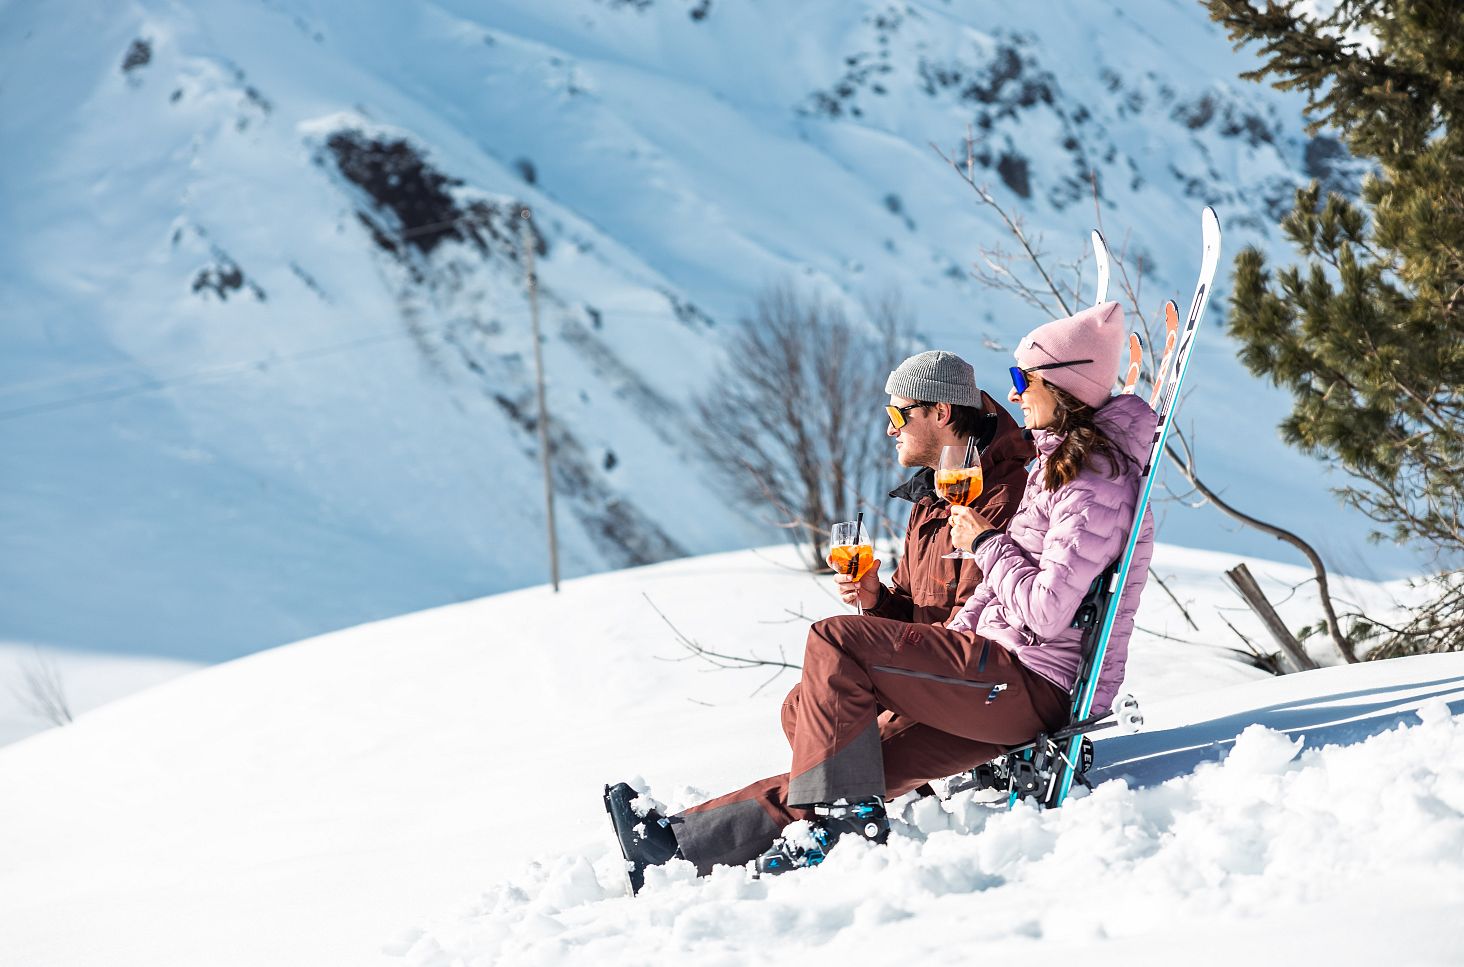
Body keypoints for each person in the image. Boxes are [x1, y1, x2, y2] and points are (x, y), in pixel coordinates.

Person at [606, 302, 1156, 892]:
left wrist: (986, 545)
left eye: (1025, 380)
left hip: (1026, 680)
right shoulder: (1058, 472)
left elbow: (1046, 610)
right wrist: (899, 615)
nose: (1015, 396)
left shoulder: (1088, 478)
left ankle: (844, 827)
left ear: (1063, 383)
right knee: (849, 762)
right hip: (998, 672)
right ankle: (683, 849)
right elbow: (988, 603)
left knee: (832, 642)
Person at [836, 350, 1033, 625]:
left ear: (941, 412)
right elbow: (912, 615)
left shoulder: (1001, 499)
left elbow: (970, 629)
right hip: (927, 660)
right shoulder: (928, 504)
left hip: (963, 663)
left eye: (897, 415)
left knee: (835, 635)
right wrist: (877, 599)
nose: (891, 430)